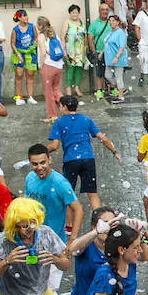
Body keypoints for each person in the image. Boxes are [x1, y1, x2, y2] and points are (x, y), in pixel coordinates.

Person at [47, 96, 119, 234]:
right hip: (88, 159)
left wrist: (43, 151)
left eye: (60, 106)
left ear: (64, 107)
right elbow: (102, 138)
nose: (59, 108)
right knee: (92, 194)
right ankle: (101, 223)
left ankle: (69, 227)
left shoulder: (59, 123)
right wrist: (114, 152)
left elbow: (55, 146)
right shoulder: (86, 120)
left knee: (68, 194)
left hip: (71, 161)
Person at [9, 9, 37, 105]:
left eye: (26, 15)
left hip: (30, 53)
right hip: (19, 54)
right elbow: (12, 43)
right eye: (24, 16)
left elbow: (36, 38)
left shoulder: (32, 27)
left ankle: (30, 96)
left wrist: (33, 46)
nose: (26, 17)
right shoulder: (15, 30)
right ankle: (18, 97)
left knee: (30, 74)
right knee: (19, 75)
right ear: (19, 18)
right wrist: (18, 54)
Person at [62, 5, 88, 98]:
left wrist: (85, 47)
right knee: (70, 68)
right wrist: (64, 49)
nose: (75, 14)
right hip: (71, 49)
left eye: (76, 12)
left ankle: (77, 87)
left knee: (79, 68)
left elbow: (85, 35)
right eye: (73, 12)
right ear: (70, 13)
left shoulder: (81, 22)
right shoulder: (67, 22)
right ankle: (68, 88)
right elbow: (63, 37)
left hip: (80, 49)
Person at [102, 15, 129, 102]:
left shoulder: (120, 32)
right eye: (110, 21)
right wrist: (102, 53)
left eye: (113, 21)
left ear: (117, 22)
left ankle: (120, 96)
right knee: (108, 75)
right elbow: (107, 44)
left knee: (118, 76)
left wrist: (117, 57)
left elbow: (121, 46)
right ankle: (120, 88)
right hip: (109, 58)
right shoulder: (110, 32)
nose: (111, 22)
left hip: (118, 58)